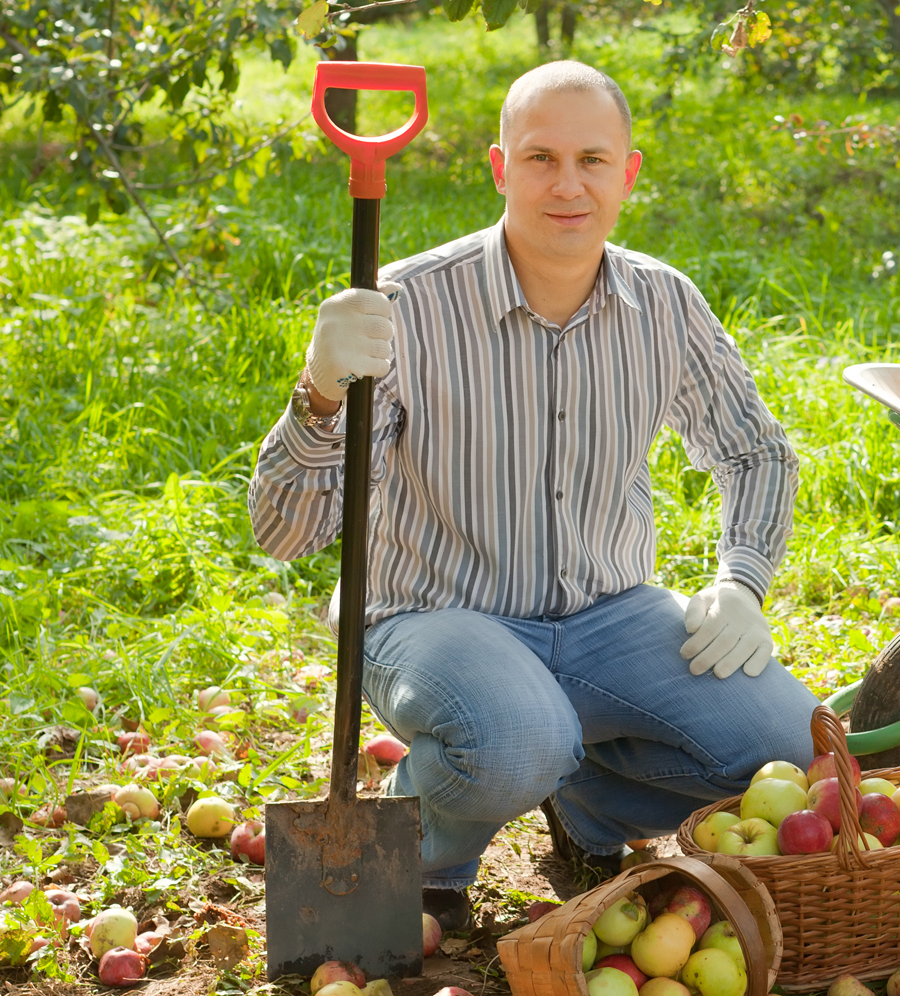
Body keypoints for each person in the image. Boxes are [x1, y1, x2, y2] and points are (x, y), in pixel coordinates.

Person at [248, 59, 819, 928]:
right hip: (433, 615)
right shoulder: (407, 305)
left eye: (592, 160)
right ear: (498, 168)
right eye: (540, 157)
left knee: (783, 749)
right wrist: (319, 393)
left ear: (627, 173)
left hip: (608, 616)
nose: (567, 184)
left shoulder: (664, 304)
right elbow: (282, 535)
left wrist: (740, 579)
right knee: (518, 740)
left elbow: (754, 452)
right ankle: (419, 854)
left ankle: (587, 801)